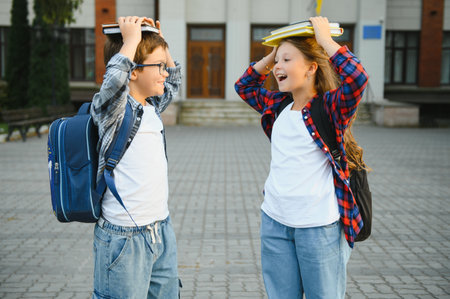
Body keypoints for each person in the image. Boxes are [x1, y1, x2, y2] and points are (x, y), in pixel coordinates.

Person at [234, 16, 369, 298]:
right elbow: (244, 86)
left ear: (311, 68)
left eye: (286, 60)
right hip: (274, 222)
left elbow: (358, 79)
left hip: (318, 228)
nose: (277, 68)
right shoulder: (278, 105)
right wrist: (272, 54)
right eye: (277, 62)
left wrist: (326, 42)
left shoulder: (329, 108)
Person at [90, 16, 181, 298]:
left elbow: (174, 83)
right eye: (159, 67)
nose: (165, 72)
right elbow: (113, 81)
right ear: (132, 71)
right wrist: (130, 41)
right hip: (124, 237)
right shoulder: (112, 111)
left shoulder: (151, 105)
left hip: (160, 229)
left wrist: (160, 43)